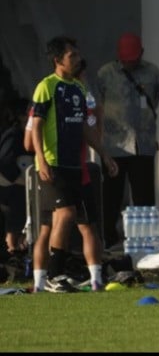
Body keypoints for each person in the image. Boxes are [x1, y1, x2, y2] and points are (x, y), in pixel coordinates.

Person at [29, 37, 118, 292]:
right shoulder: (46, 87)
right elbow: (36, 127)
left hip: (75, 166)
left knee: (79, 221)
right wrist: (42, 160)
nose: (78, 59)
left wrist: (104, 154)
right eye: (72, 56)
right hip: (53, 164)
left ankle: (63, 276)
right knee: (66, 215)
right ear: (58, 61)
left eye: (78, 55)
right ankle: (52, 275)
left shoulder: (78, 90)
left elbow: (84, 130)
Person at [94, 32, 159, 249]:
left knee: (144, 197)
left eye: (133, 59)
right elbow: (98, 107)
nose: (129, 63)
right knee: (111, 197)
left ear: (141, 54)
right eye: (125, 59)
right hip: (114, 146)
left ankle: (144, 242)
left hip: (143, 145)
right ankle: (109, 239)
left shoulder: (153, 73)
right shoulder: (105, 74)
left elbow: (156, 100)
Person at [0, 97, 29, 259]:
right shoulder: (14, 135)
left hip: (24, 185)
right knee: (15, 215)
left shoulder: (26, 135)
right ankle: (12, 249)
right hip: (10, 188)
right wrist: (18, 179)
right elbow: (5, 163)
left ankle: (17, 248)